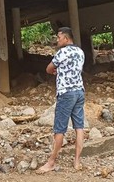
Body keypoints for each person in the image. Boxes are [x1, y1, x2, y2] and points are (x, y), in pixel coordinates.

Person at [38, 26, 86, 173]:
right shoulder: (80, 52)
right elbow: (76, 69)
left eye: (59, 38)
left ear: (66, 38)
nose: (57, 40)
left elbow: (48, 68)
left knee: (59, 129)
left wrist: (55, 71)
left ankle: (51, 161)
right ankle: (77, 161)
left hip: (66, 93)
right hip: (79, 91)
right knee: (79, 127)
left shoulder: (62, 52)